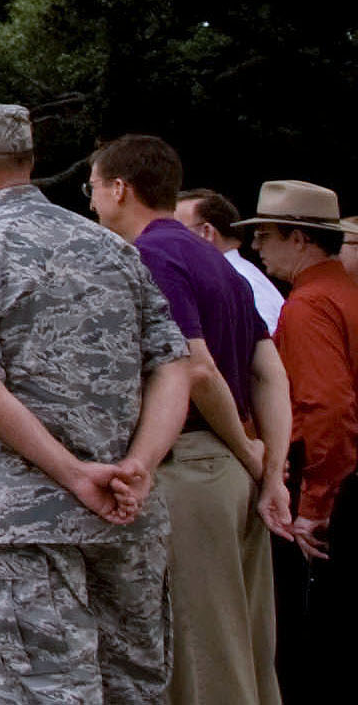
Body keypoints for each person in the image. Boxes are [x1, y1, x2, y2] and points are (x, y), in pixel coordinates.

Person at [0, 103, 193, 705]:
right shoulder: (115, 249)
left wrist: (75, 475)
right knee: (134, 690)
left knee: (46, 692)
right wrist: (141, 465)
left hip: (29, 526)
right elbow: (175, 366)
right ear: (28, 161)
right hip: (126, 515)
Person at [89, 136, 291, 705]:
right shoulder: (218, 262)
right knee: (248, 649)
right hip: (232, 472)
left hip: (191, 470)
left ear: (119, 189)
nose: (92, 203)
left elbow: (195, 369)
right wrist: (270, 468)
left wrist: (251, 454)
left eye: (93, 188)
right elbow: (269, 372)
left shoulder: (150, 257)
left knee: (203, 659)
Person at [235, 179, 358, 705]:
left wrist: (313, 507)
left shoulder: (310, 303)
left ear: (300, 238)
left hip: (332, 489)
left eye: (265, 234)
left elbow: (326, 407)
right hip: (342, 480)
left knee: (313, 648)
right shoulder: (344, 292)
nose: (256, 246)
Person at [178, 188, 288, 334]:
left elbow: (269, 341)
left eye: (175, 230)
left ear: (207, 232)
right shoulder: (236, 276)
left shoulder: (240, 281)